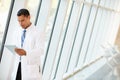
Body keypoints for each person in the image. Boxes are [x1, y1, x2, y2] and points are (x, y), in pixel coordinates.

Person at [11, 8, 45, 80]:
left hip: (30, 69)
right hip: (18, 66)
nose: (20, 23)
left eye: (22, 20)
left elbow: (41, 50)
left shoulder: (38, 32)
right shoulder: (17, 31)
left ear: (29, 17)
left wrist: (26, 52)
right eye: (19, 21)